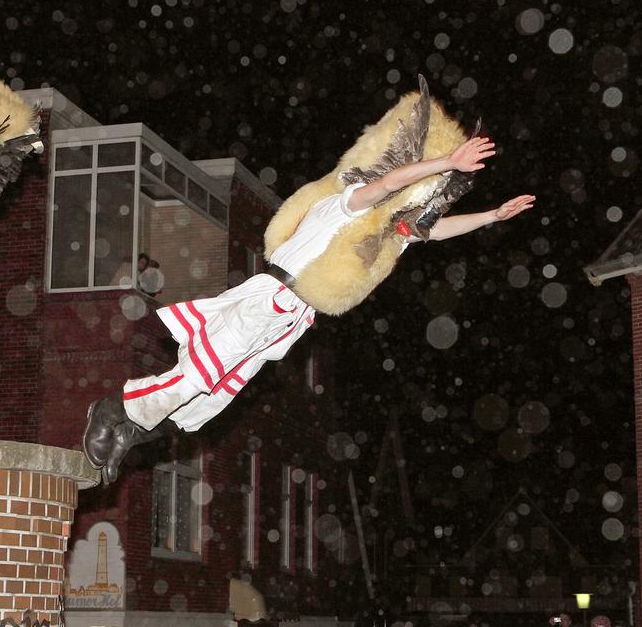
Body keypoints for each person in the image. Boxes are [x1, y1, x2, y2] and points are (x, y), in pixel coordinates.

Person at [83, 78, 534, 482]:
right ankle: (113, 409)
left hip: (290, 321)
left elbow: (432, 231)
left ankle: (131, 437)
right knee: (200, 376)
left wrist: (492, 215)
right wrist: (444, 162)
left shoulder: (381, 237)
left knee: (206, 403)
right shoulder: (345, 204)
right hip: (269, 297)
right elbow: (385, 186)